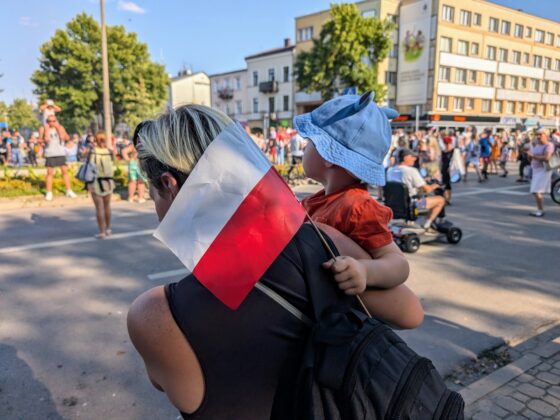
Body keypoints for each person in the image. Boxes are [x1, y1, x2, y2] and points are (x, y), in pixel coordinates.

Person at [127, 104, 424, 418]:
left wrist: (366, 270)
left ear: (169, 185)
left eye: (152, 193)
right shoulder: (317, 237)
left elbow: (171, 387)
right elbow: (410, 314)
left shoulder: (152, 316)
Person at [294, 93, 410, 296]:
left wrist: (365, 271)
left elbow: (399, 264)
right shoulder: (317, 201)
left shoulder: (357, 207)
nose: (305, 148)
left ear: (327, 154)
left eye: (309, 142)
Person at [387, 149, 446, 234]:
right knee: (440, 200)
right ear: (405, 157)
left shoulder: (390, 171)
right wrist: (435, 185)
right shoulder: (411, 171)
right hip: (412, 205)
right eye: (412, 157)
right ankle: (427, 225)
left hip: (394, 205)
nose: (415, 159)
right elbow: (427, 189)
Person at [39, 115, 77, 201]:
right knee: (49, 173)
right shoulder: (43, 128)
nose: (51, 123)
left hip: (60, 152)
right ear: (47, 121)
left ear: (56, 120)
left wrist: (62, 134)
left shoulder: (60, 127)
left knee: (65, 172)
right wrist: (44, 140)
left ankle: (69, 190)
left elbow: (67, 138)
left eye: (53, 121)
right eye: (49, 121)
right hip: (50, 153)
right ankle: (49, 192)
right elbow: (39, 140)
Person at [85, 132, 115, 237]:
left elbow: (90, 168)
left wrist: (88, 183)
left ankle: (102, 231)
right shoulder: (109, 151)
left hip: (96, 181)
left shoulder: (93, 152)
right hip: (108, 181)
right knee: (107, 206)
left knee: (99, 208)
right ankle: (108, 229)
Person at [526, 128, 555, 217]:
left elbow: (546, 158)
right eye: (537, 135)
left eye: (540, 135)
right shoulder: (537, 144)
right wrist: (529, 155)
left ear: (546, 135)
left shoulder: (549, 145)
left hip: (543, 169)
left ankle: (540, 210)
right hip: (535, 169)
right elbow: (532, 156)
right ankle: (540, 209)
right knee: (537, 190)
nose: (538, 136)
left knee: (536, 190)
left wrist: (533, 156)